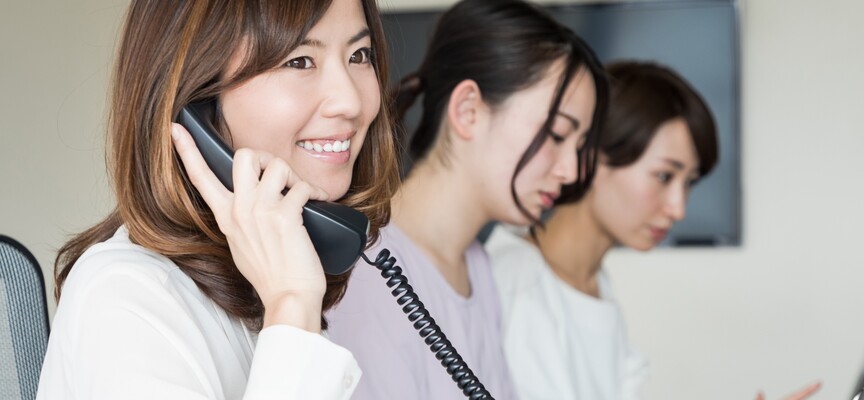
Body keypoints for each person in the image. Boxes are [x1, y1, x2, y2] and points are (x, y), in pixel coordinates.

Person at [37, 1, 399, 398]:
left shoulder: (264, 289)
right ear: (199, 104)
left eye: (359, 55)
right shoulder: (125, 300)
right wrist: (292, 305)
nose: (349, 101)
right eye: (299, 62)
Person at [485, 61, 820, 400]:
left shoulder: (592, 282)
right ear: (591, 157)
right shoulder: (519, 282)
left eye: (688, 183)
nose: (678, 208)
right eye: (663, 176)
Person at [324, 0, 608, 398]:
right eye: (558, 134)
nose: (572, 171)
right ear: (469, 110)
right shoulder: (365, 274)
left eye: (579, 146)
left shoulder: (477, 267)